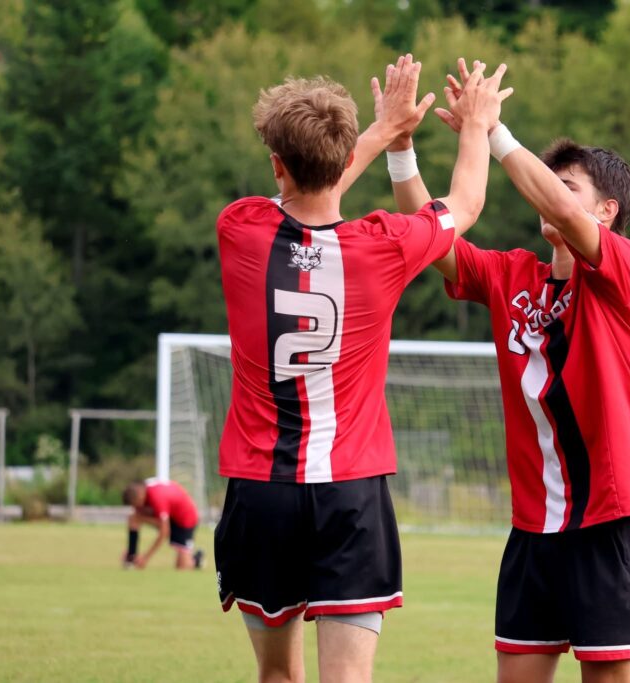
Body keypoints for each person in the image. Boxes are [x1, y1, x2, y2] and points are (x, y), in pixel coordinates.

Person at [213, 55, 510, 683]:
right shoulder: (386, 244)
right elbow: (467, 202)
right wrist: (475, 126)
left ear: (276, 165)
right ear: (343, 153)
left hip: (260, 491)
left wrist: (379, 134)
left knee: (275, 676)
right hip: (349, 491)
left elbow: (310, 196)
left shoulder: (240, 227)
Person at [388, 59, 630, 683]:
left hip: (611, 519)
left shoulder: (622, 270)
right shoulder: (512, 276)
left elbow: (566, 218)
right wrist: (402, 150)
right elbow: (435, 237)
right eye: (552, 181)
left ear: (608, 211)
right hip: (535, 525)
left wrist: (493, 134)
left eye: (571, 185)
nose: (556, 195)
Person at [122, 478, 203, 570]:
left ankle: (197, 560)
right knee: (133, 517)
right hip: (170, 516)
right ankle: (131, 557)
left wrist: (145, 557)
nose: (137, 508)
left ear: (140, 497)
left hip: (185, 519)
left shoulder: (158, 498)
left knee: (182, 567)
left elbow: (164, 532)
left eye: (137, 504)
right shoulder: (143, 490)